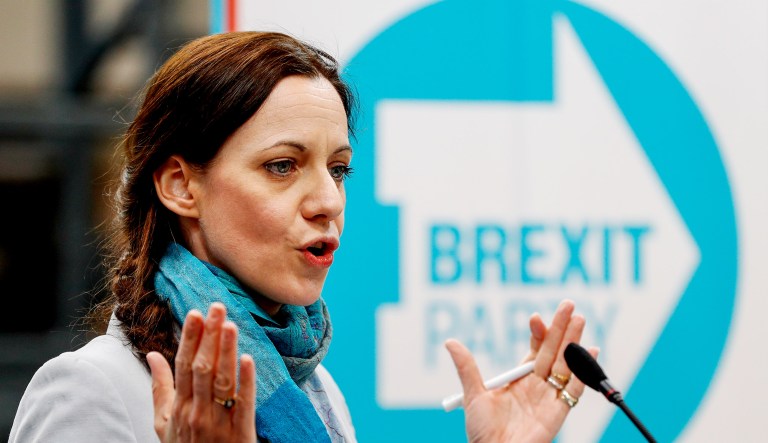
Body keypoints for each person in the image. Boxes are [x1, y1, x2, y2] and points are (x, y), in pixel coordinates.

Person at [10, 31, 595, 442]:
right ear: (180, 186)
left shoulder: (315, 392)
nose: (328, 202)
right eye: (282, 166)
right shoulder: (92, 391)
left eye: (338, 169)